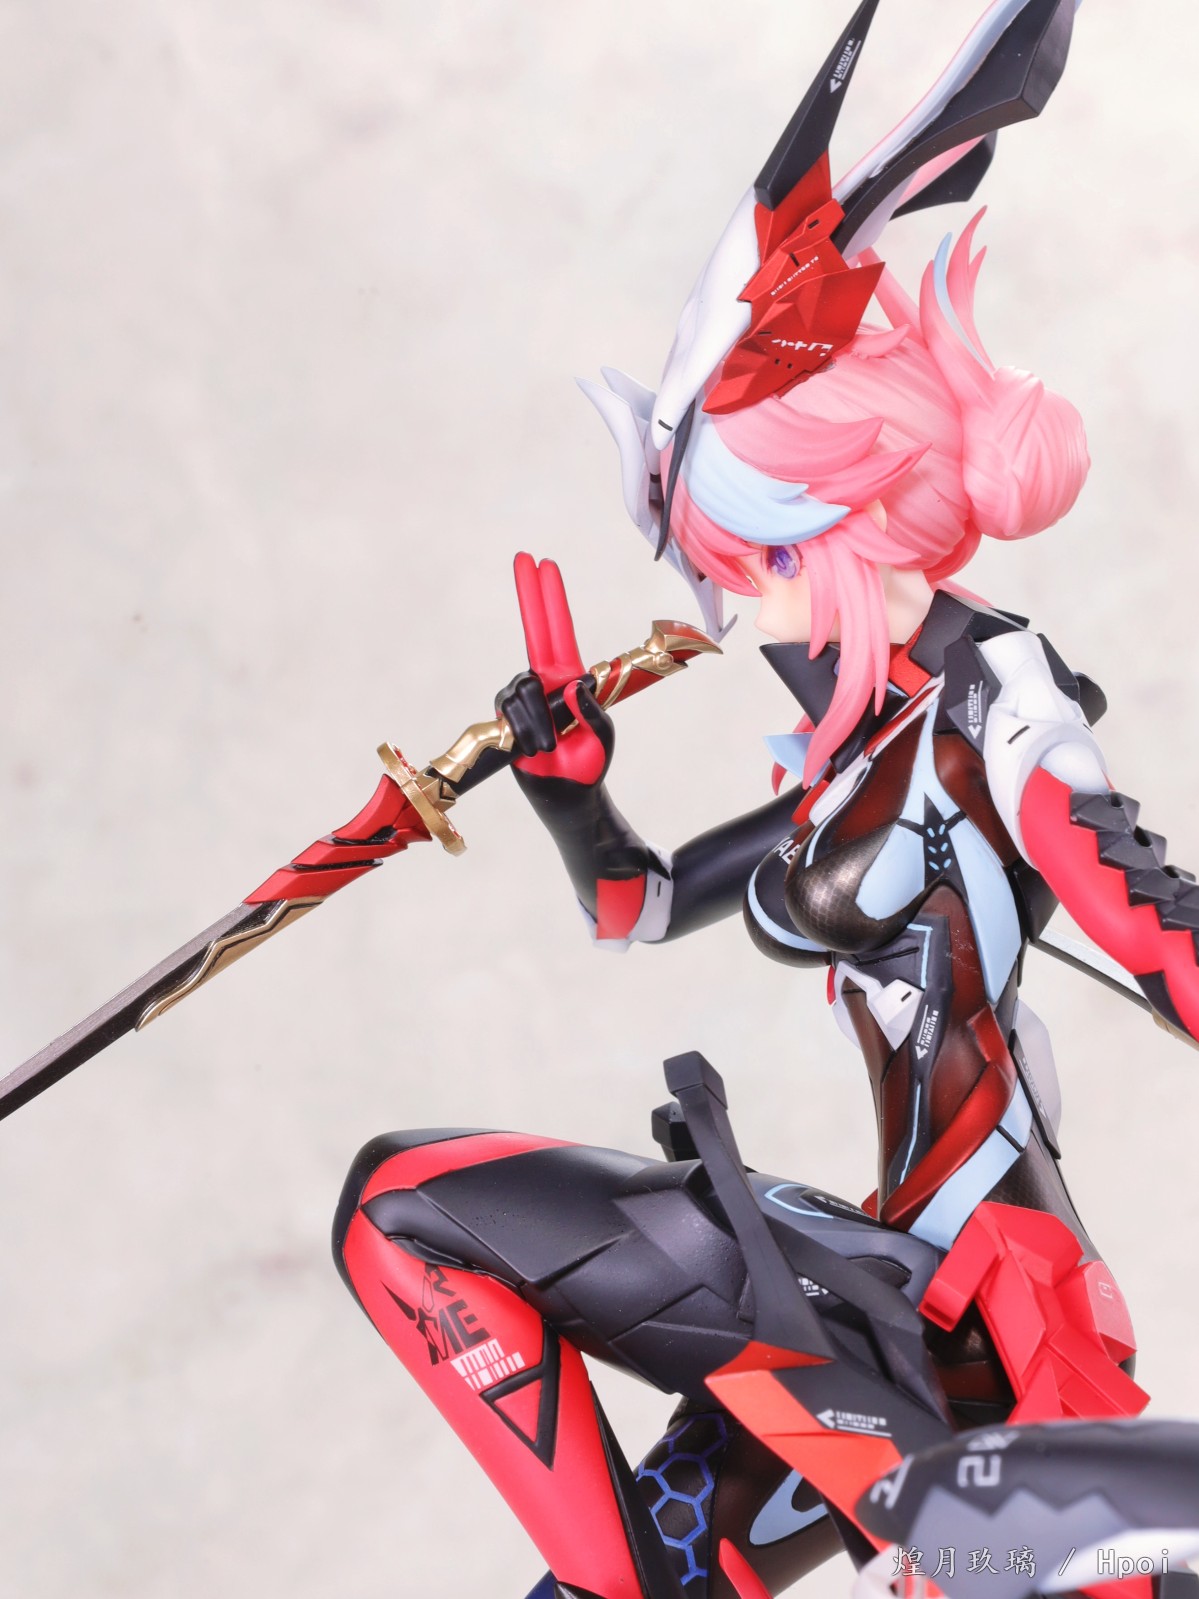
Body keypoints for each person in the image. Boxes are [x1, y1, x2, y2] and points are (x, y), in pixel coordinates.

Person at [333, 5, 1199, 1597]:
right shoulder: (850, 752)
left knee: (407, 1207)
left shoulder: (999, 706)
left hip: (989, 1295)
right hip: (876, 1290)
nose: (737, 602)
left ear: (842, 524)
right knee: (601, 1503)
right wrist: (569, 791)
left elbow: (1168, 943)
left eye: (758, 558)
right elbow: (641, 906)